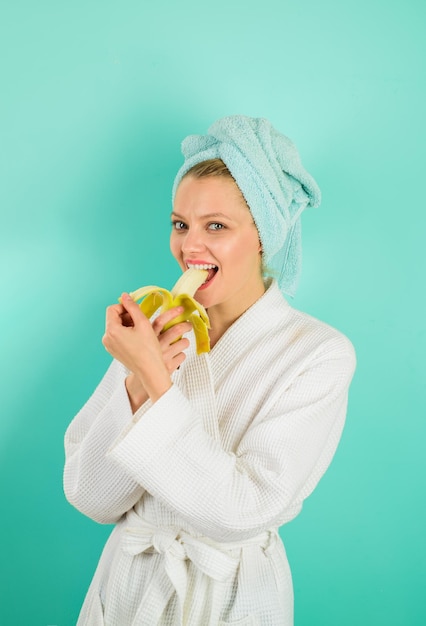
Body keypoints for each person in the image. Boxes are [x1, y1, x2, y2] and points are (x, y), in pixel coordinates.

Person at [63, 115, 356, 626]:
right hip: (129, 586)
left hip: (229, 597)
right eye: (181, 224)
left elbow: (241, 511)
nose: (189, 246)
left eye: (215, 226)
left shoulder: (317, 352)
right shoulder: (154, 328)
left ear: (264, 236)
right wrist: (134, 380)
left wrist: (156, 380)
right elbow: (91, 497)